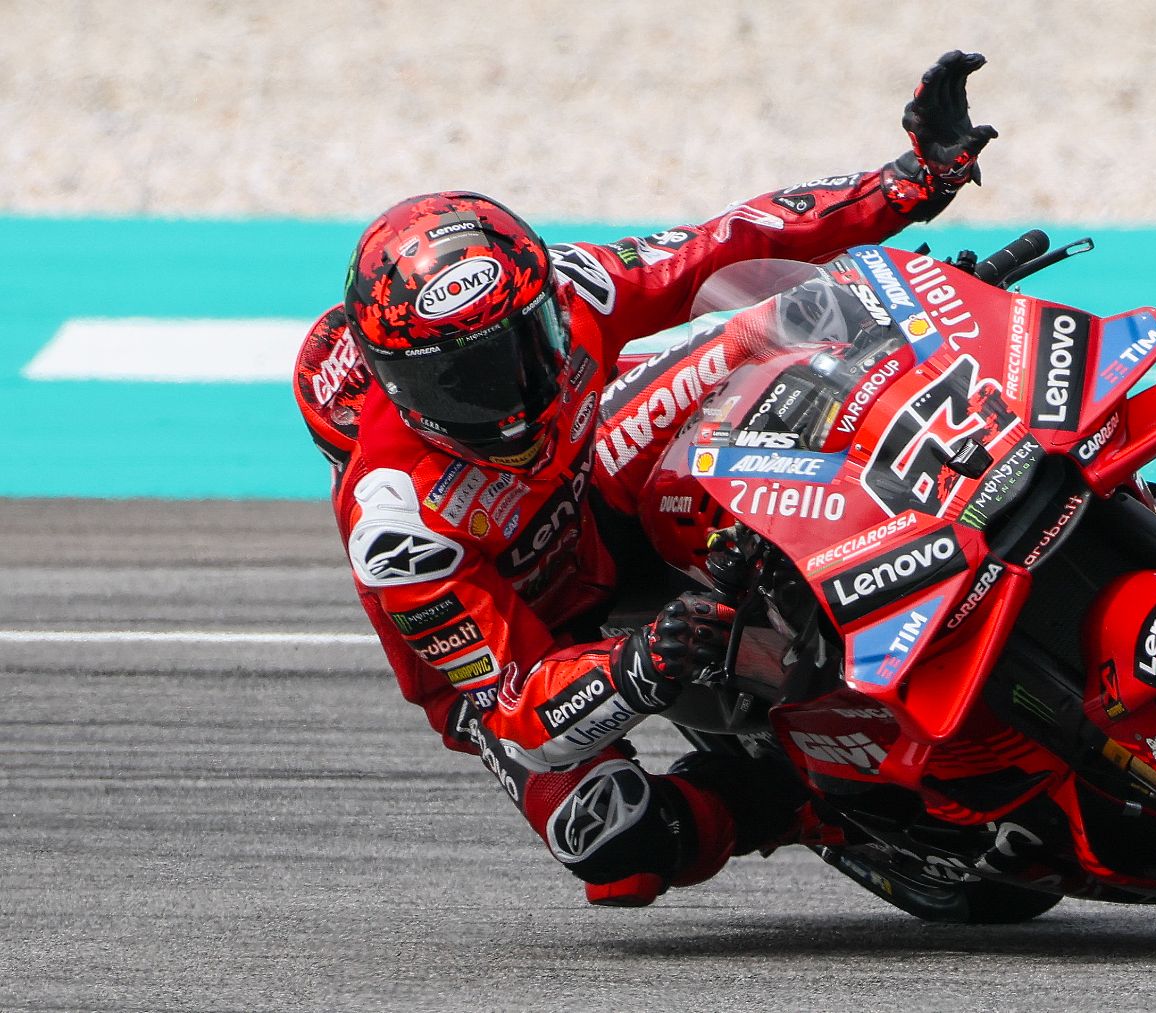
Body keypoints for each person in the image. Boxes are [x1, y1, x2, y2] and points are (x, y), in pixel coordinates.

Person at [293, 52, 997, 906]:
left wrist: (909, 181)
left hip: (596, 494)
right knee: (615, 842)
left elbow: (728, 242)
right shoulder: (399, 523)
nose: (517, 392)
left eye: (526, 344)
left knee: (795, 325)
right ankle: (804, 803)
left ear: (546, 303)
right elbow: (514, 700)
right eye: (468, 381)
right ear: (406, 396)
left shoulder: (575, 289)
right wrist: (634, 668)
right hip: (537, 650)